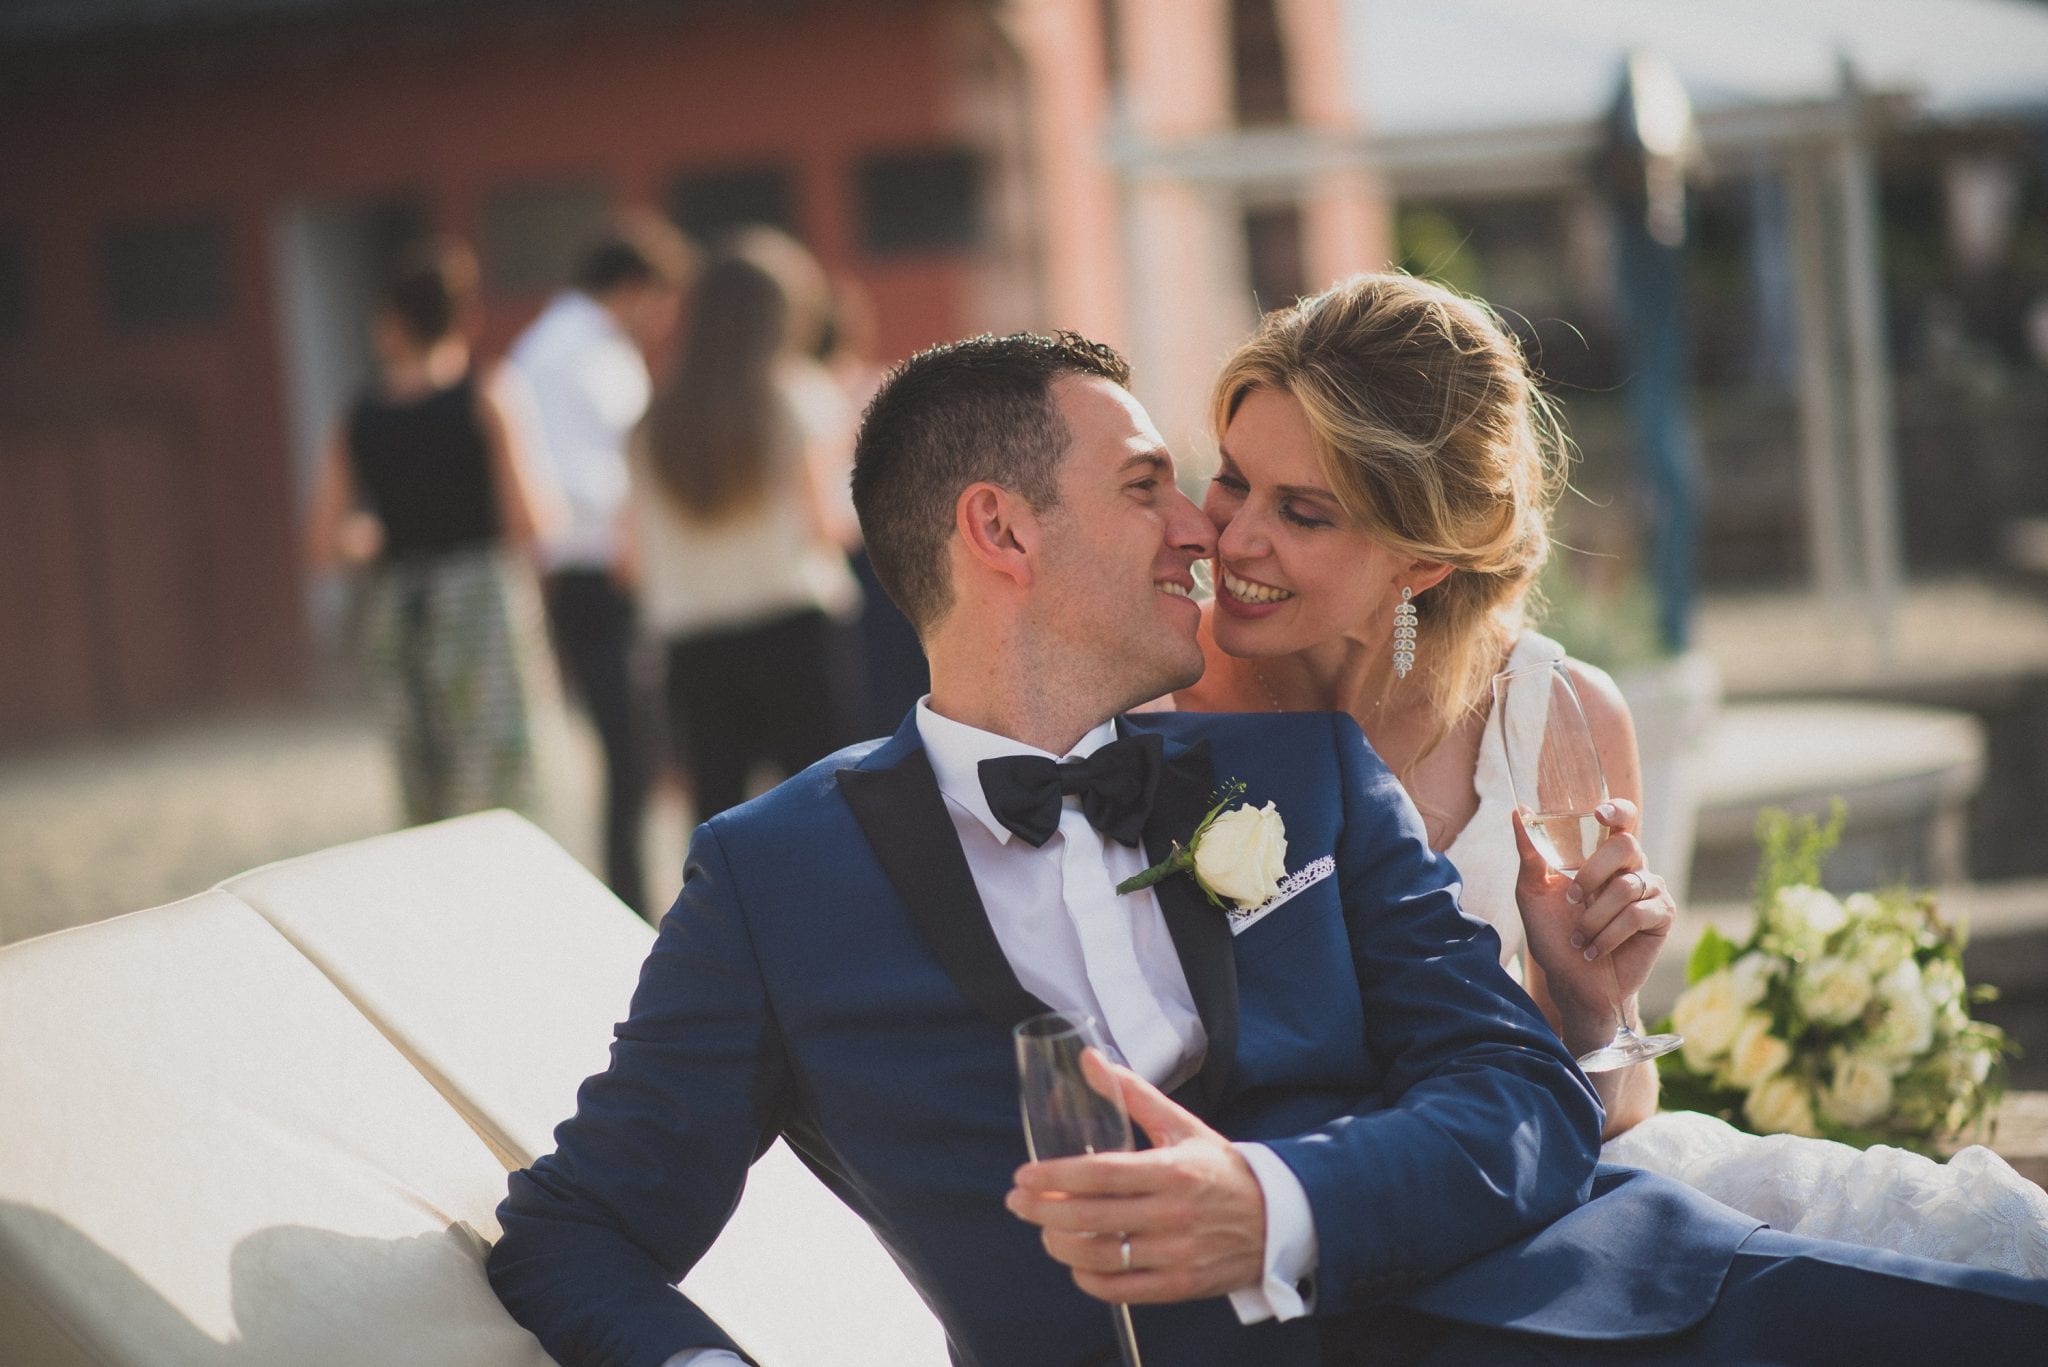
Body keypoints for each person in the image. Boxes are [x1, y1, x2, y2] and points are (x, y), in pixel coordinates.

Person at [488, 331, 2048, 1367]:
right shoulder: (775, 876)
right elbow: (575, 1226)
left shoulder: (1301, 770)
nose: (1204, 531)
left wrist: (1277, 1202)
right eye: (1149, 486)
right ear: (1002, 532)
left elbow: (1521, 1092)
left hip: (1594, 1310)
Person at [1175, 270, 2048, 1276]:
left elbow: (1613, 1117)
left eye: (1302, 512)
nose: (1233, 537)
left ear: (1421, 561)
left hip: (1525, 1194)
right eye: (1232, 478)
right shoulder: (1155, 699)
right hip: (1285, 1213)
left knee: (1956, 1248)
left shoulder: (1553, 716)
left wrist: (1593, 1002)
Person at [304, 238, 556, 826]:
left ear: (392, 324)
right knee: (501, 786)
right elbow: (529, 519)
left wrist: (379, 536)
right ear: (463, 318)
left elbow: (322, 545)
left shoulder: (358, 416)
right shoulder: (489, 395)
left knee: (423, 787)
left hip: (400, 606)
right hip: (480, 602)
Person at [629, 226, 861, 823]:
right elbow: (827, 524)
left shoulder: (652, 421)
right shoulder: (797, 397)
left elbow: (631, 559)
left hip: (693, 647)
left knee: (720, 824)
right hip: (796, 629)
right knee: (827, 815)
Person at [507, 211, 695, 911]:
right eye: (664, 299)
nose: (667, 319)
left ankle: (635, 893)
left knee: (637, 751)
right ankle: (627, 900)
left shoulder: (573, 346)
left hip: (609, 567)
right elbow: (579, 480)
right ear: (635, 287)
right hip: (596, 570)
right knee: (629, 750)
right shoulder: (571, 354)